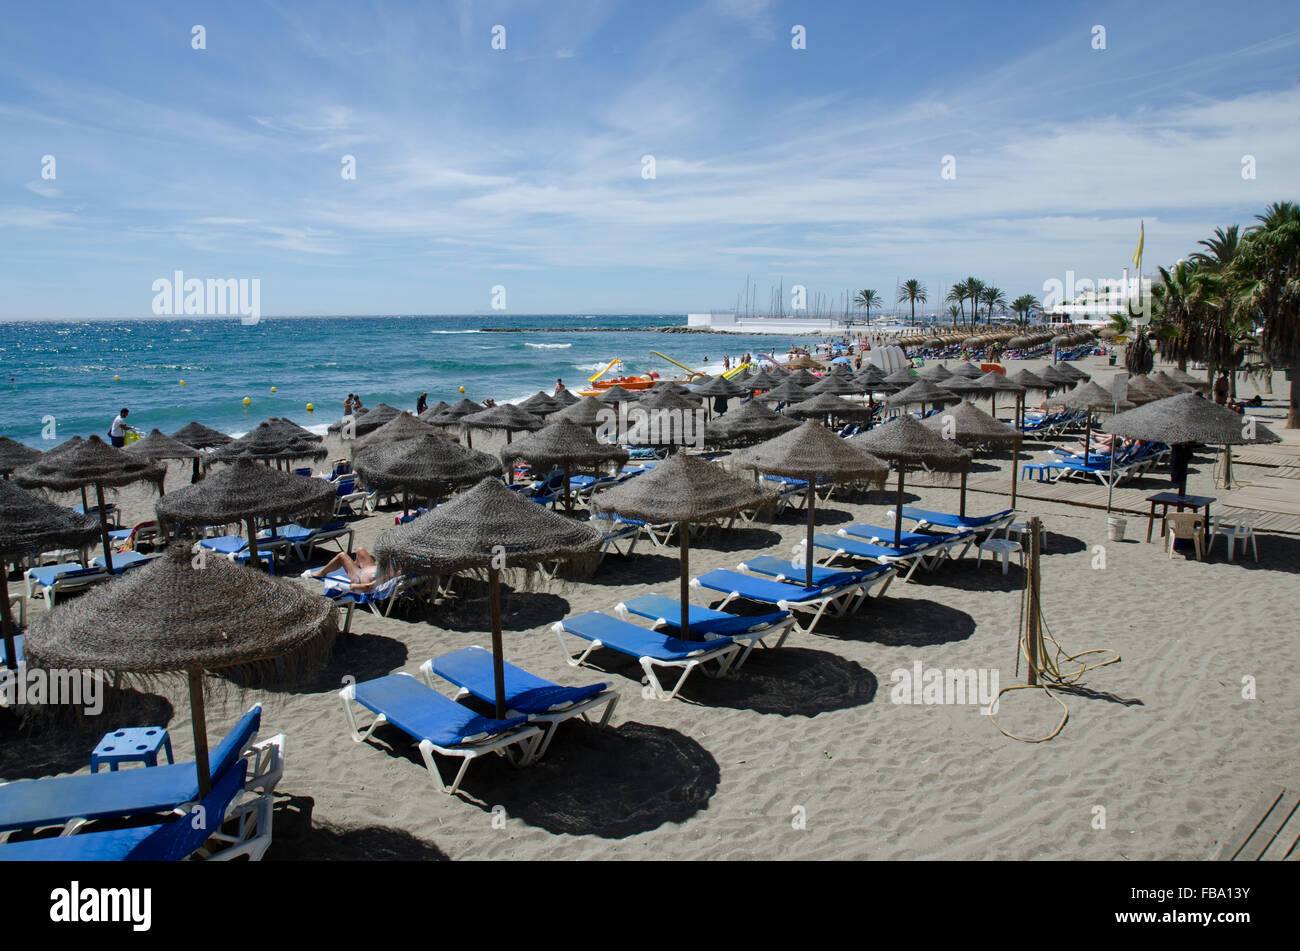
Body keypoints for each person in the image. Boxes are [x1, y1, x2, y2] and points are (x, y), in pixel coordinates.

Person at [304, 548, 387, 592]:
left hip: (361, 578)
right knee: (360, 550)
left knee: (342, 556)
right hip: (372, 570)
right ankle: (353, 566)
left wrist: (352, 586)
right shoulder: (396, 567)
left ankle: (321, 573)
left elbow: (368, 586)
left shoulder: (390, 572)